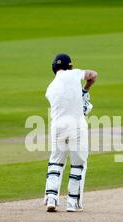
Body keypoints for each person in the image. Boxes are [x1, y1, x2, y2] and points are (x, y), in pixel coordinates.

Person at [44, 53, 98, 212]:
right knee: (78, 164)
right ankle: (72, 202)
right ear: (70, 66)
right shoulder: (74, 75)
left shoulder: (50, 88)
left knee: (55, 161)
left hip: (58, 126)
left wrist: (81, 93)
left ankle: (51, 198)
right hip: (76, 126)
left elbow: (68, 98)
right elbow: (93, 75)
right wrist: (86, 87)